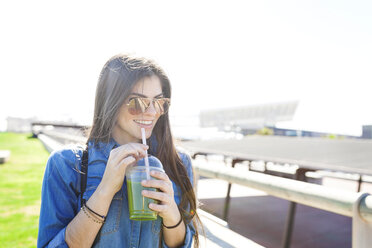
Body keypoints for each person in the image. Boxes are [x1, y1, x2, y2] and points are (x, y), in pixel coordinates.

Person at [37, 54, 201, 248]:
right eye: (137, 102)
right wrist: (105, 191)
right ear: (112, 101)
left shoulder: (179, 162)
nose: (150, 112)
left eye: (158, 102)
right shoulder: (65, 164)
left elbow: (185, 243)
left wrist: (172, 215)